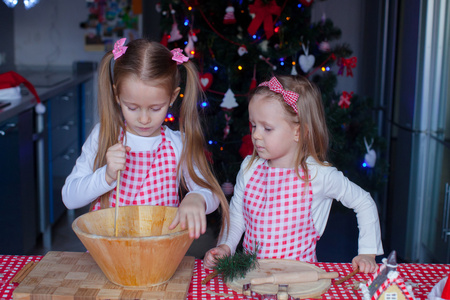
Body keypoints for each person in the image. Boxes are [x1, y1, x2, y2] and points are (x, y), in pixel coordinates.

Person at [204, 75, 383, 273]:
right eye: (254, 125)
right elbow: (237, 217)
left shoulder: (317, 175)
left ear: (299, 132)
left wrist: (368, 251)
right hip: (254, 279)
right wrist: (226, 246)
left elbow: (364, 202)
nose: (255, 135)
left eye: (267, 128)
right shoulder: (250, 168)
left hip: (299, 283)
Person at [62, 38, 229, 239]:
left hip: (159, 259)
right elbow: (69, 198)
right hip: (108, 259)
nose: (143, 119)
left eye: (155, 108)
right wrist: (106, 176)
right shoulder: (104, 135)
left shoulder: (178, 144)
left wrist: (197, 197)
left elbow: (211, 193)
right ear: (117, 95)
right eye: (132, 107)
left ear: (173, 97)